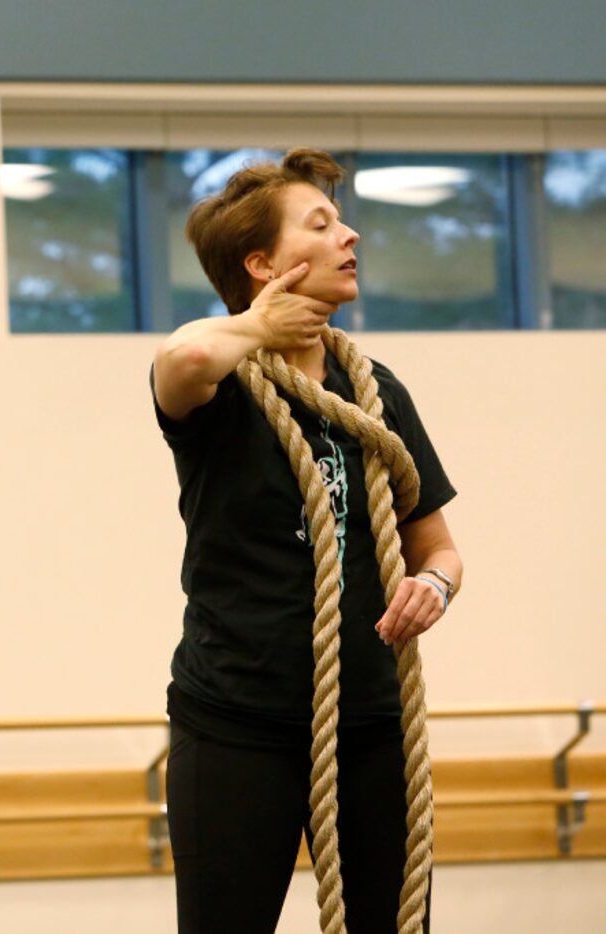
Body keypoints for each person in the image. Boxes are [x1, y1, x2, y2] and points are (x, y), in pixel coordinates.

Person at [151, 149, 462, 933]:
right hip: (235, 722)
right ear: (261, 263)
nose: (349, 234)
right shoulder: (219, 385)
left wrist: (437, 587)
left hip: (369, 719)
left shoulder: (377, 390)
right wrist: (258, 325)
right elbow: (185, 355)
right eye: (321, 224)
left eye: (342, 220)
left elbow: (442, 549)